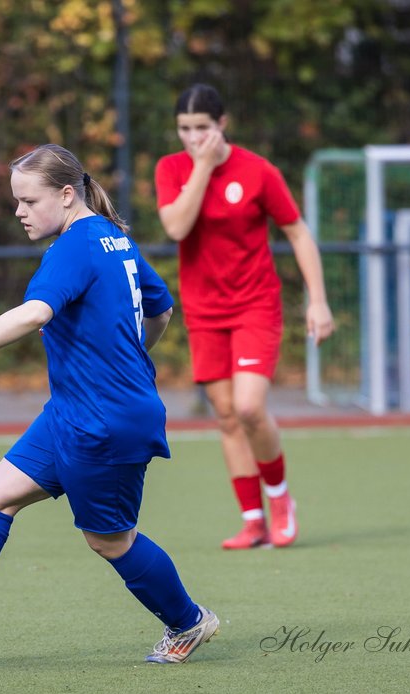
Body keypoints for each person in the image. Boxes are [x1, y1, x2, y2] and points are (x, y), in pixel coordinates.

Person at [0, 144, 218, 664]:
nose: (20, 212)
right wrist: (127, 354)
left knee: (110, 541)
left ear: (67, 195)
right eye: (16, 201)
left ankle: (188, 622)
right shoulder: (115, 239)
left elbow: (34, 314)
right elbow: (160, 309)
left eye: (28, 200)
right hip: (75, 411)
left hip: (103, 421)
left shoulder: (73, 246)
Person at [154, 84, 334, 550]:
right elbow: (176, 226)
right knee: (228, 417)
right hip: (205, 311)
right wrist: (201, 169)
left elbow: (297, 232)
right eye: (185, 130)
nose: (194, 138)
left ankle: (280, 500)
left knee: (251, 407)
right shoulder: (172, 169)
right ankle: (252, 520)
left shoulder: (258, 171)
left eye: (202, 129)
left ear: (222, 124)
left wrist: (317, 300)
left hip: (256, 304)